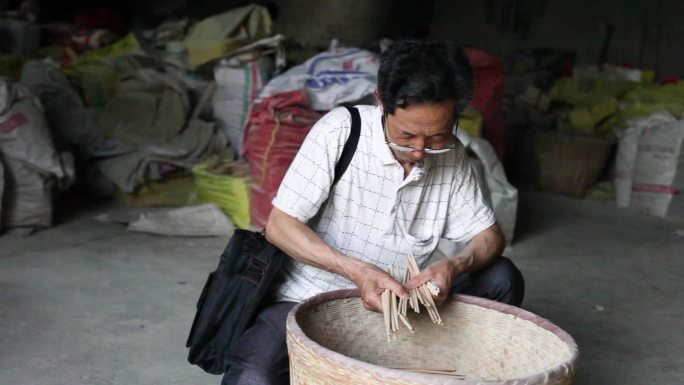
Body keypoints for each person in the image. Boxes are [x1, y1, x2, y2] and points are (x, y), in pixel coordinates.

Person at [221, 39, 524, 385]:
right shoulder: (342, 130)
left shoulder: (451, 155)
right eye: (407, 135)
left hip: (399, 304)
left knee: (502, 277)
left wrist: (453, 266)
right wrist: (356, 271)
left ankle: (453, 369)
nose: (421, 151)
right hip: (307, 299)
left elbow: (489, 235)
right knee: (251, 377)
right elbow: (279, 225)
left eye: (437, 136)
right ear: (381, 101)